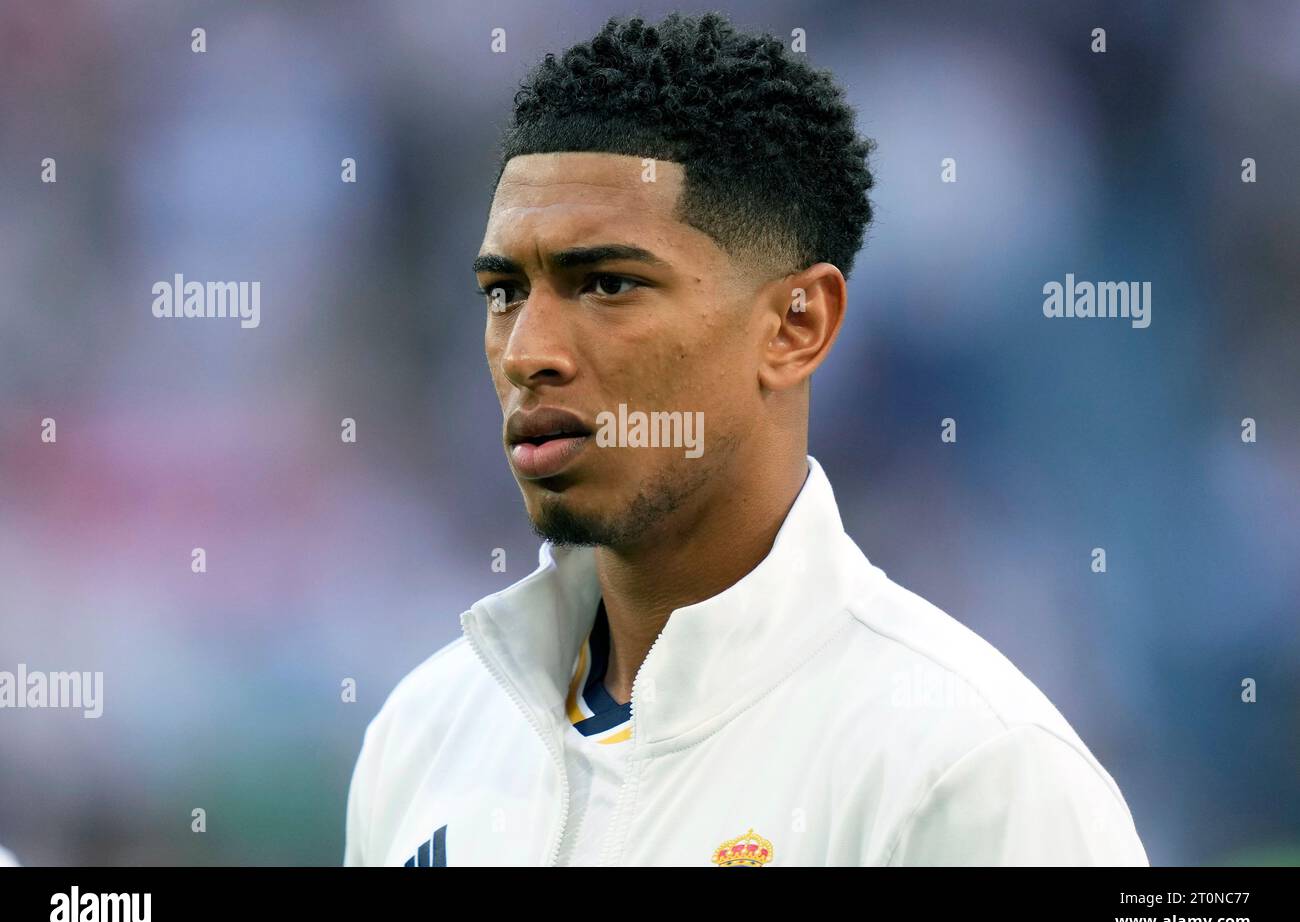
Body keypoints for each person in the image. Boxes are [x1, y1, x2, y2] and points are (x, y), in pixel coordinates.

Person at [344, 11, 1148, 866]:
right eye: (504, 292)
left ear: (796, 325)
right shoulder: (423, 734)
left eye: (607, 283)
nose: (528, 353)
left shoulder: (972, 770)